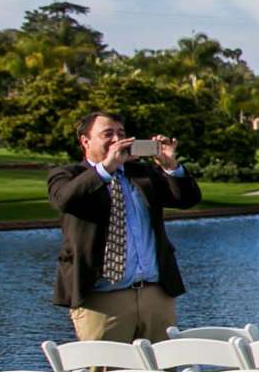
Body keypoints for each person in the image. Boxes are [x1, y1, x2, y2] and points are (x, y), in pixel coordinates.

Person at [47, 110, 202, 342]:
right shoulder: (68, 175)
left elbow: (186, 199)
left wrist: (170, 166)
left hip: (155, 294)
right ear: (85, 141)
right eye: (107, 133)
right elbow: (64, 200)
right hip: (102, 299)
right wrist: (107, 167)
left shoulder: (142, 174)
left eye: (121, 133)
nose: (117, 139)